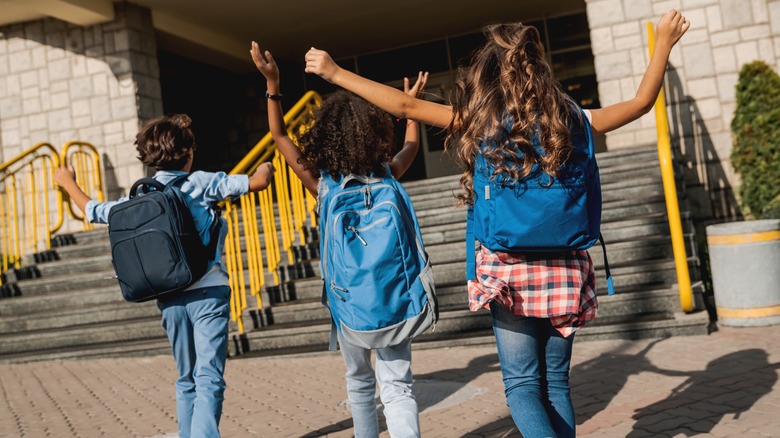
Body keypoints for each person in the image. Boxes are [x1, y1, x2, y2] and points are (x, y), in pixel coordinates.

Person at [304, 10, 690, 437]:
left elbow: (404, 105)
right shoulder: (573, 118)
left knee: (523, 385)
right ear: (538, 69)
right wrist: (663, 45)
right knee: (556, 381)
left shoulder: (481, 121)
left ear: (489, 74)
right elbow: (640, 103)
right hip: (566, 267)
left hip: (507, 269)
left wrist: (336, 72)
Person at [54, 114, 276, 438]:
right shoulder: (200, 183)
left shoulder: (140, 198)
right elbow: (257, 182)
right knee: (209, 377)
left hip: (169, 298)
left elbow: (94, 210)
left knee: (186, 377)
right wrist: (266, 168)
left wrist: (66, 181)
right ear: (188, 153)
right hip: (208, 294)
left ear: (148, 157)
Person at [251, 41, 428, 438]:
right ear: (372, 134)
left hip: (347, 301)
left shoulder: (325, 186)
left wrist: (273, 84)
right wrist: (410, 108)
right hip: (392, 297)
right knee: (398, 386)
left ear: (325, 136)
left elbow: (279, 135)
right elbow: (411, 146)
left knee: (360, 382)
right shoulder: (387, 175)